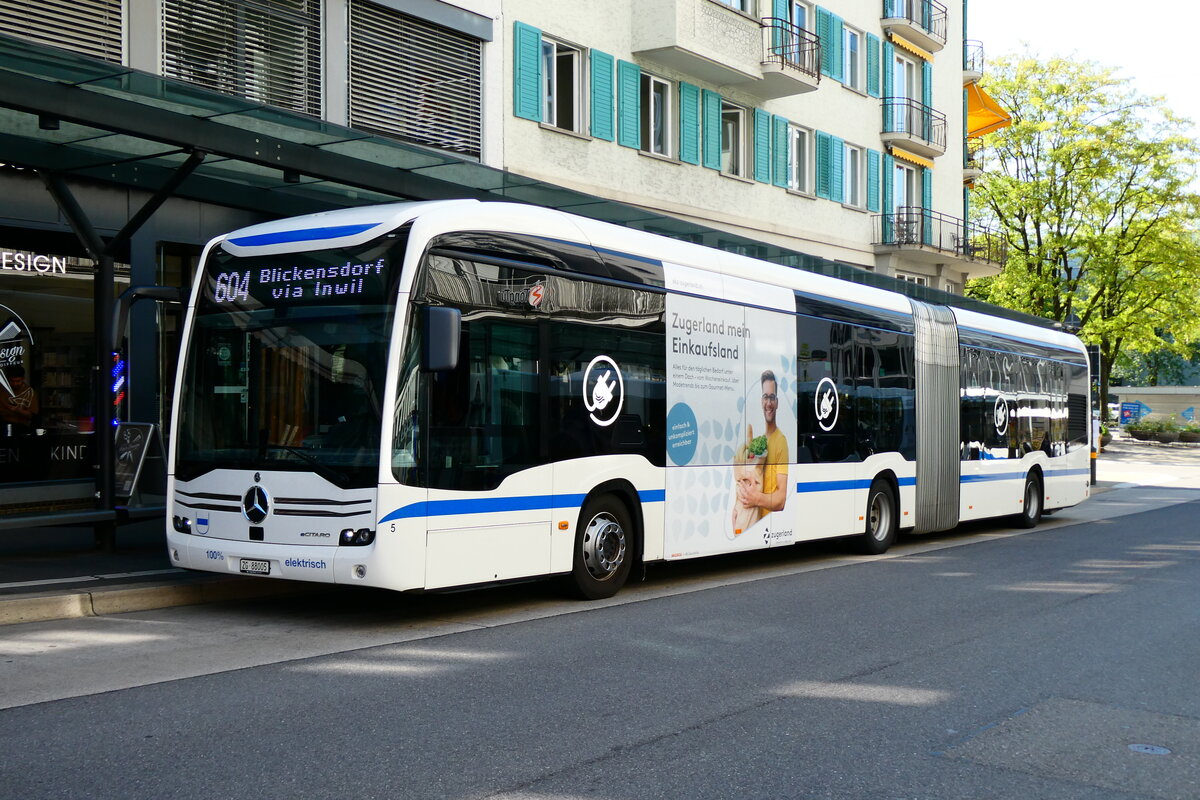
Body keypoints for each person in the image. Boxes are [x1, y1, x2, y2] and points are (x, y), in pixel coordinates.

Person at [736, 370, 788, 521]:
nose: (769, 403)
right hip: (753, 520)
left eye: (772, 398)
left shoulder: (781, 441)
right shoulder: (760, 441)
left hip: (767, 522)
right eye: (766, 397)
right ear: (761, 401)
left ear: (777, 402)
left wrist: (756, 498)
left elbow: (781, 500)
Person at [0, 364, 38, 435]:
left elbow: (31, 415)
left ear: (23, 379)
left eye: (18, 381)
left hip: (21, 426)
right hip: (3, 424)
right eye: (12, 381)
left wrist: (17, 410)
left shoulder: (29, 391)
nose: (15, 384)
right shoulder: (2, 389)